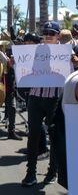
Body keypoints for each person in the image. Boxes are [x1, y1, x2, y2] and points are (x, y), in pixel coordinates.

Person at [21, 21, 69, 187]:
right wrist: (16, 66)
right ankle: (30, 172)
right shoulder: (34, 50)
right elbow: (25, 69)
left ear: (58, 36)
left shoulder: (66, 52)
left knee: (54, 136)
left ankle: (52, 171)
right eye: (46, 32)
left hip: (55, 99)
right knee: (33, 135)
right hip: (35, 96)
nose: (48, 35)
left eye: (52, 33)